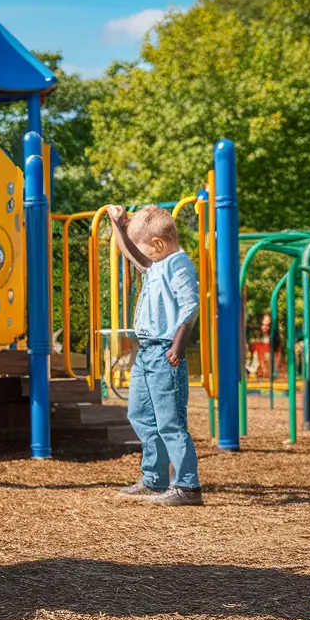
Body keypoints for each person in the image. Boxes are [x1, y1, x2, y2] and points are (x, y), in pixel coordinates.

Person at [107, 204, 203, 507]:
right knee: (141, 415)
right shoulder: (157, 263)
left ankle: (187, 486)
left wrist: (178, 345)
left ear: (158, 245)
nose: (140, 253)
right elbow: (131, 253)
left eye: (145, 246)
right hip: (146, 352)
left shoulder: (177, 265)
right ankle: (154, 478)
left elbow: (190, 306)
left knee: (170, 421)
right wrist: (118, 225)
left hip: (165, 351)